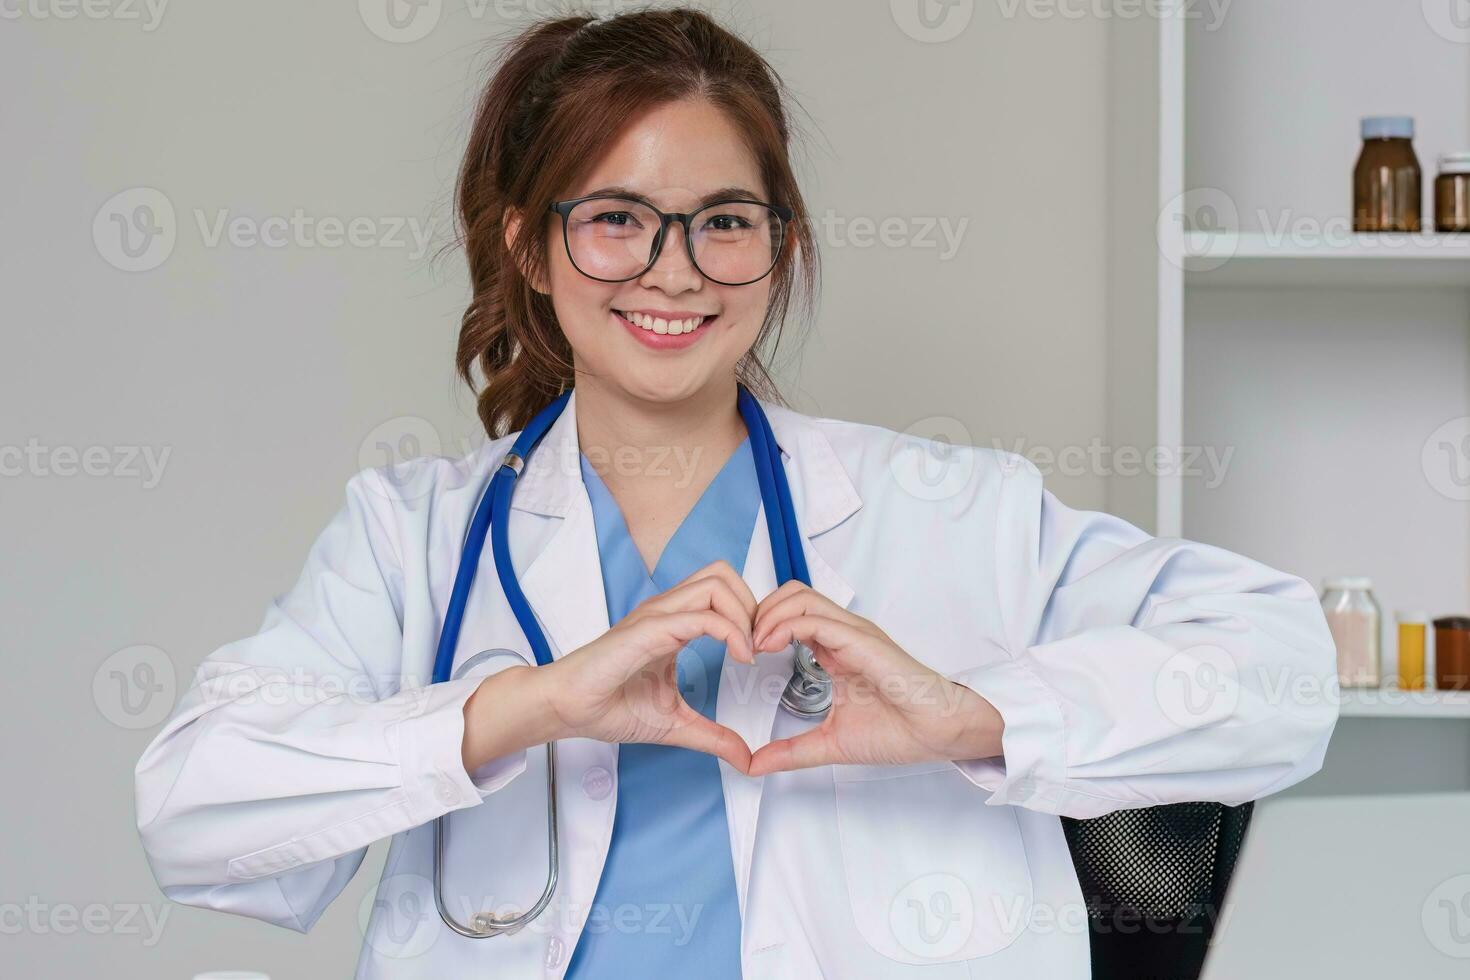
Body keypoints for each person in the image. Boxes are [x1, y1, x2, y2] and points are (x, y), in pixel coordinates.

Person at [133, 8, 1339, 978]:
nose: (674, 270)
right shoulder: (418, 536)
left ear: (783, 244)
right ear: (526, 246)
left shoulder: (947, 507)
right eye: (615, 219)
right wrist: (522, 707)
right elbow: (192, 814)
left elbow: (1286, 666)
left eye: (723, 221)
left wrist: (972, 715)